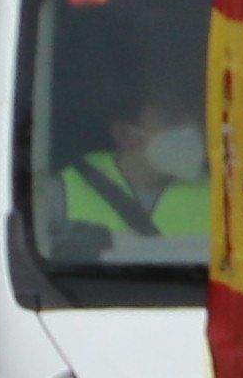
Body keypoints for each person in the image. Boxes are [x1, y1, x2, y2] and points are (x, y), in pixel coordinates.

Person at [54, 85, 200, 255]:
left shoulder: (221, 196)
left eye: (194, 118)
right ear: (124, 134)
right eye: (170, 120)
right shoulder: (59, 191)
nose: (192, 129)